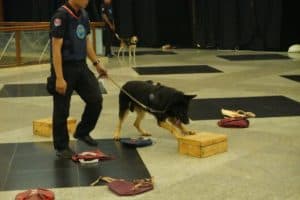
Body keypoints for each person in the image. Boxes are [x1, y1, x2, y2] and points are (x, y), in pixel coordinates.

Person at [48, 0, 108, 159]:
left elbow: (86, 41)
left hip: (81, 66)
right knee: (62, 110)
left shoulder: (84, 14)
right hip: (64, 67)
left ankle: (82, 131)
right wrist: (59, 78)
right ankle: (61, 147)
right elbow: (56, 49)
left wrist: (96, 63)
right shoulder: (61, 16)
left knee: (95, 99)